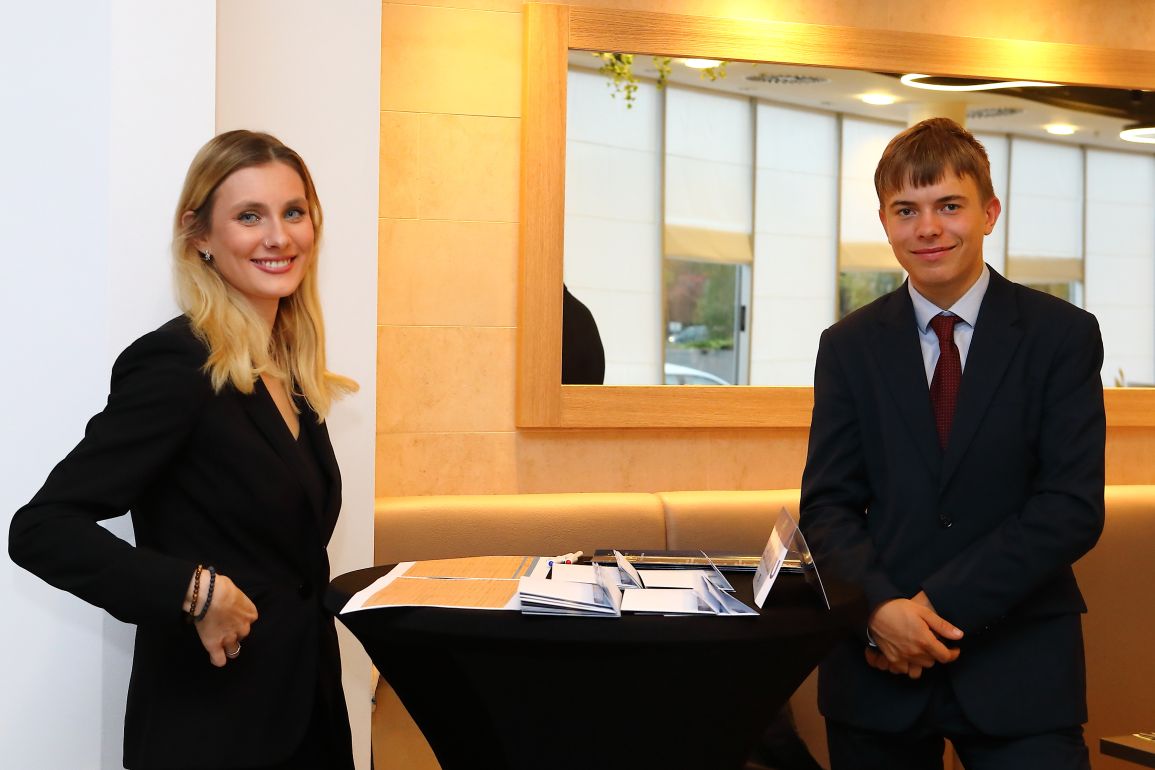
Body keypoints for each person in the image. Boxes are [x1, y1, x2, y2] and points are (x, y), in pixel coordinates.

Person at [9, 130, 359, 770]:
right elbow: (42, 528)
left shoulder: (285, 370)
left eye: (293, 212)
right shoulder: (176, 364)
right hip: (210, 730)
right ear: (199, 236)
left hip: (305, 718)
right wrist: (194, 591)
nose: (278, 237)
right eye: (249, 216)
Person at [799, 117, 1105, 770]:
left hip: (1019, 669)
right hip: (878, 668)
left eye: (949, 206)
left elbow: (1069, 507)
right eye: (906, 210)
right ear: (884, 223)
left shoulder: (1062, 336)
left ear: (989, 212)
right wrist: (880, 610)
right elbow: (827, 507)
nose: (928, 229)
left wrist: (934, 609)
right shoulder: (847, 346)